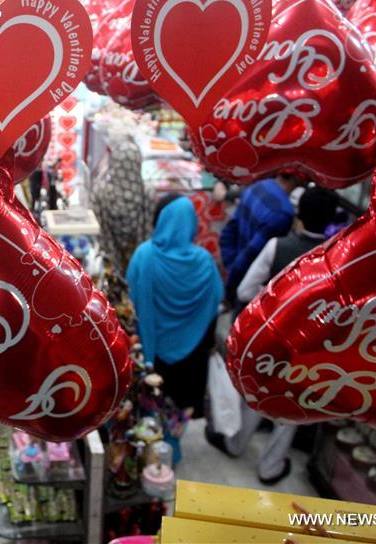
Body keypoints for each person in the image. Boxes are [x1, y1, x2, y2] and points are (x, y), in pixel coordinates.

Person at [208, 186, 339, 484]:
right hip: (312, 348)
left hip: (273, 341)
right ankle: (270, 467)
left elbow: (244, 290)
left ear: (299, 217)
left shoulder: (277, 247)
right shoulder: (334, 261)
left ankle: (236, 443)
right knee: (293, 404)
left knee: (259, 392)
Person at [126, 195, 223, 417]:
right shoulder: (205, 262)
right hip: (192, 358)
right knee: (179, 417)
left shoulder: (145, 256)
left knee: (146, 420)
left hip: (151, 352)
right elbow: (214, 304)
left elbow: (129, 303)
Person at [219, 173, 300, 305]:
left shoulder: (259, 186)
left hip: (237, 276)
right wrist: (231, 289)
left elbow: (228, 233)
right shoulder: (282, 213)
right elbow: (249, 256)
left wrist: (229, 267)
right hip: (248, 287)